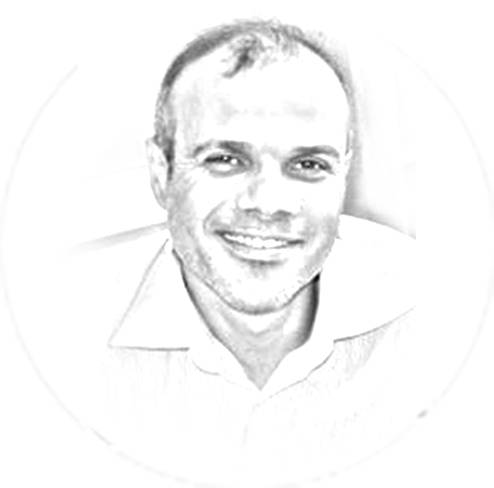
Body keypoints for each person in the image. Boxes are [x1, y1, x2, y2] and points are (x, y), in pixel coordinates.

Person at [103, 19, 416, 486]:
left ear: (343, 176)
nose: (268, 203)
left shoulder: (437, 317)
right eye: (226, 160)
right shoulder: (59, 335)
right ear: (160, 172)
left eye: (308, 164)